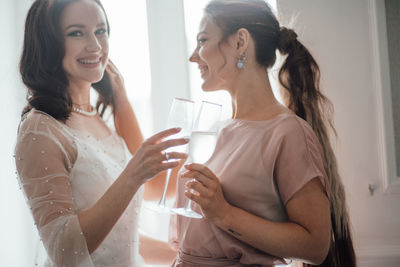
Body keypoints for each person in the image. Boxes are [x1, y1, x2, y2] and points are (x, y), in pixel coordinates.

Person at [169, 0, 356, 266]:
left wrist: (224, 213)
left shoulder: (288, 133)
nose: (193, 56)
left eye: (202, 40)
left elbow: (316, 246)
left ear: (240, 42)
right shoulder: (213, 130)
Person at [15, 0, 186, 266]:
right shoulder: (40, 130)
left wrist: (185, 256)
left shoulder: (98, 118)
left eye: (101, 31)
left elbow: (118, 236)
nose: (95, 46)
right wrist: (133, 174)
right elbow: (63, 250)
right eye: (76, 33)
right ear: (48, 44)